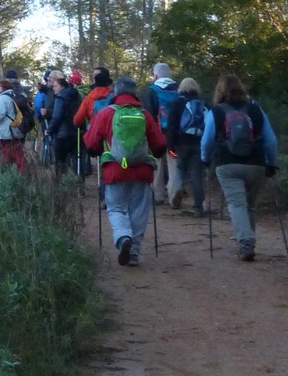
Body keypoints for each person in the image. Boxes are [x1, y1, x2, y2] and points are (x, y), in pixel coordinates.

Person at [83, 75, 165, 266]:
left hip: (115, 170)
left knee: (116, 208)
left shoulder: (106, 113)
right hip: (142, 171)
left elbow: (91, 144)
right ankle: (134, 252)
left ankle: (123, 237)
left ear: (116, 92)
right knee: (139, 211)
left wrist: (98, 151)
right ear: (135, 93)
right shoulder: (144, 115)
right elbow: (160, 146)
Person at [202, 73, 279, 261]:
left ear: (220, 90)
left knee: (237, 204)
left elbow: (207, 140)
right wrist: (272, 163)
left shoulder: (216, 111)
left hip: (227, 164)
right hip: (256, 164)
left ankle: (246, 243)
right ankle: (248, 242)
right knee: (249, 205)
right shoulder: (256, 110)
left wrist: (205, 159)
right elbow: (271, 141)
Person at [166, 77, 208, 215]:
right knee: (196, 175)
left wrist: (170, 145)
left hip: (181, 143)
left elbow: (172, 125)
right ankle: (198, 207)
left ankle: (178, 189)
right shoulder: (203, 103)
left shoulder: (177, 102)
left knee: (179, 169)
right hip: (198, 143)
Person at [144, 63, 180, 204]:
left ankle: (158, 194)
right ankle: (174, 192)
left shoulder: (152, 90)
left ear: (156, 75)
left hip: (158, 135)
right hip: (175, 136)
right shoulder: (178, 89)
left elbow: (149, 114)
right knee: (174, 163)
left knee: (157, 164)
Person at [0, 76, 30, 174]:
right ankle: (23, 174)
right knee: (18, 155)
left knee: (7, 157)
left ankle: (10, 176)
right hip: (17, 129)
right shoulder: (14, 95)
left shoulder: (2, 98)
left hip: (7, 132)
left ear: (2, 88)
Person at [45, 69, 81, 177]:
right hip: (76, 132)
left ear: (62, 86)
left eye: (55, 86)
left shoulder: (60, 97)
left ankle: (61, 184)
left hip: (62, 134)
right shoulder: (76, 95)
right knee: (75, 161)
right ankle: (78, 183)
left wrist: (49, 130)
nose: (54, 88)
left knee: (60, 162)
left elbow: (57, 117)